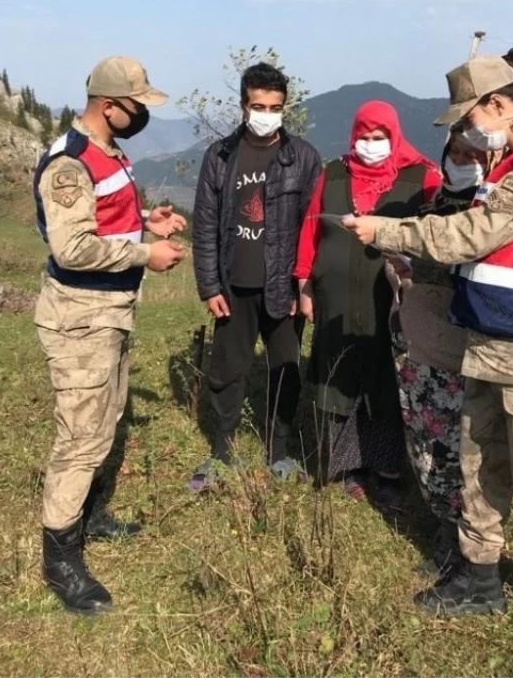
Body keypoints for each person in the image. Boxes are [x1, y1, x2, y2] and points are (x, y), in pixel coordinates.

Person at [343, 50, 513, 655]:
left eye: (469, 119)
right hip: (494, 341)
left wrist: (385, 231)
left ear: (497, 106)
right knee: (480, 463)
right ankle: (479, 574)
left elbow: (468, 235)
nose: (467, 134)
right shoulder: (511, 167)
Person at [33, 56, 187, 615]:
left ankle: (88, 514)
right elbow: (70, 249)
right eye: (137, 105)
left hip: (109, 312)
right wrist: (149, 253)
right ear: (108, 106)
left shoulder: (108, 155)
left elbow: (104, 221)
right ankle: (61, 559)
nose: (143, 113)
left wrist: (147, 221)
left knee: (105, 419)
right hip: (81, 316)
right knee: (79, 436)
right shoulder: (70, 165)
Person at [295, 100, 441, 510]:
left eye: (379, 138)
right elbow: (311, 226)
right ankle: (349, 467)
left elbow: (439, 233)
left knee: (386, 379)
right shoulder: (334, 172)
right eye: (364, 137)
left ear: (394, 137)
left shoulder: (422, 177)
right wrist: (304, 281)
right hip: (335, 297)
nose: (371, 145)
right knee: (341, 375)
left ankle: (389, 471)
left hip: (391, 301)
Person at [190, 62, 321, 490]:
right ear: (243, 105)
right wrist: (209, 285)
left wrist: (303, 285)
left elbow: (312, 227)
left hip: (282, 288)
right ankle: (222, 450)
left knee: (285, 369)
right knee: (228, 369)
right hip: (232, 286)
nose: (267, 114)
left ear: (285, 107)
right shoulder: (220, 156)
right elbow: (206, 225)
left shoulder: (303, 157)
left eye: (276, 106)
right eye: (258, 105)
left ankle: (279, 451)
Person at [388, 132, 489, 574]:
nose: (464, 161)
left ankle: (463, 541)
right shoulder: (427, 210)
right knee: (424, 443)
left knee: (459, 449)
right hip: (418, 342)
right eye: (457, 153)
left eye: (474, 154)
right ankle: (442, 526)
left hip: (461, 350)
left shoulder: (488, 212)